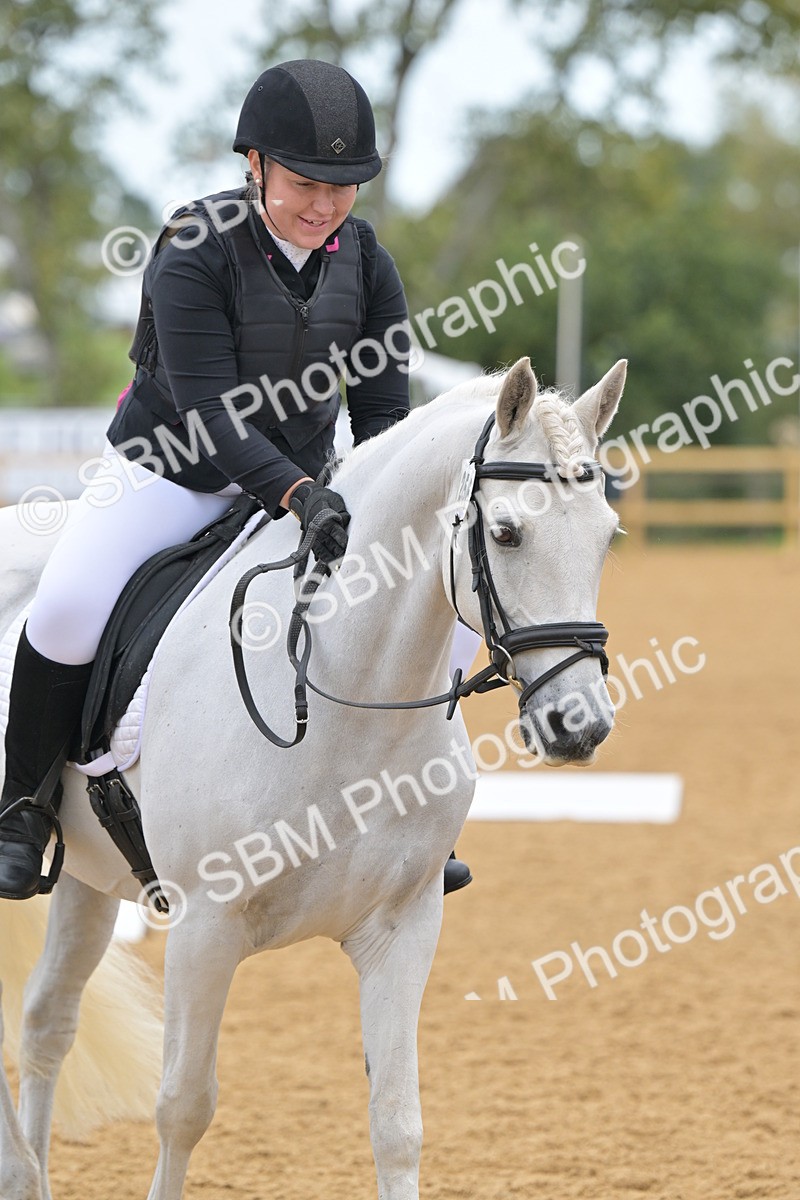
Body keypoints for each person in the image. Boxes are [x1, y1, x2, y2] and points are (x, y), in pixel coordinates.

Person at [0, 59, 473, 901]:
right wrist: (296, 494)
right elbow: (209, 412)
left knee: (428, 603)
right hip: (166, 474)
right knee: (68, 611)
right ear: (254, 165)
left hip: (304, 481)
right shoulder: (192, 249)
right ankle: (24, 806)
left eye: (345, 185)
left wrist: (381, 505)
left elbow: (383, 415)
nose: (325, 205)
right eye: (305, 182)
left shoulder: (367, 263)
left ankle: (409, 806)